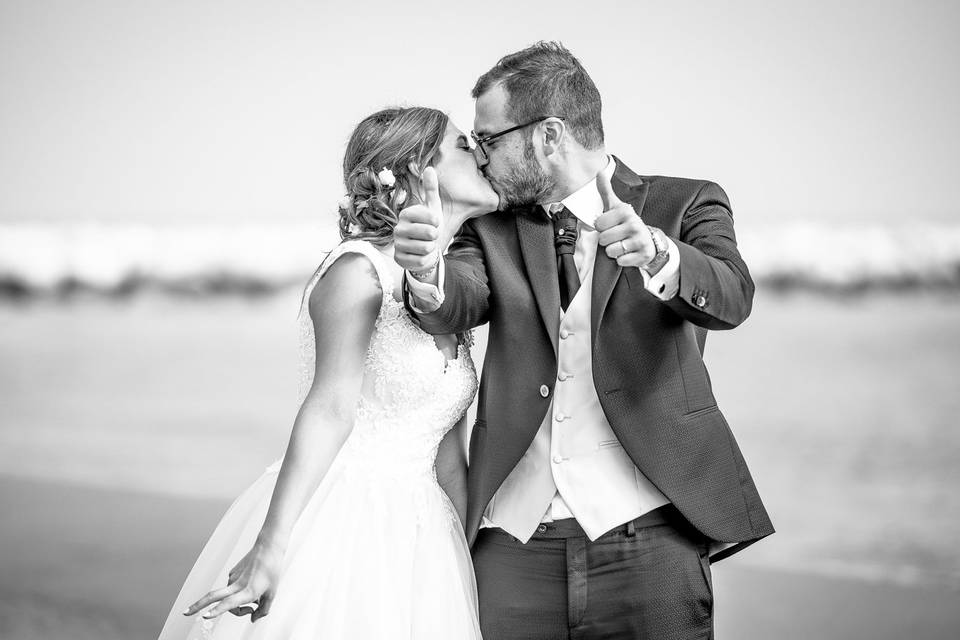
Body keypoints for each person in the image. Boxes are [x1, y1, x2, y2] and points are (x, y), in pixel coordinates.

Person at [394, 41, 775, 639]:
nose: (482, 158)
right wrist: (426, 274)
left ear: (548, 136)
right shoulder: (489, 226)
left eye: (489, 140)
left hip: (650, 544)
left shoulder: (685, 202)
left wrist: (658, 254)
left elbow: (732, 296)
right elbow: (459, 298)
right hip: (511, 548)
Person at [158, 106, 498, 639]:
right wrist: (272, 544)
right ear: (416, 167)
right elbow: (330, 407)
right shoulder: (359, 271)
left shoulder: (453, 290)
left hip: (423, 534)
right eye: (463, 145)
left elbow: (449, 456)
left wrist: (470, 563)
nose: (480, 154)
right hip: (341, 519)